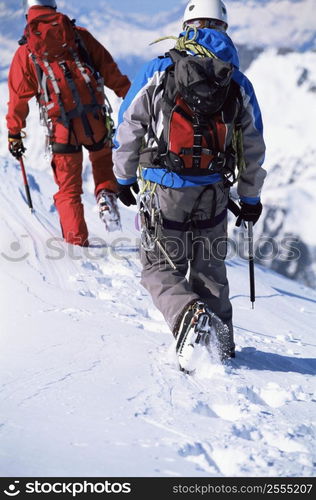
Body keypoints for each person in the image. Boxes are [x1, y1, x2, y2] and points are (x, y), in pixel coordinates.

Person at [113, 0, 266, 372]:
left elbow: (129, 125)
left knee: (158, 267)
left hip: (165, 190)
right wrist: (250, 196)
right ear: (223, 26)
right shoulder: (235, 79)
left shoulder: (161, 68)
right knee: (210, 270)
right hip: (214, 190)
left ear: (187, 25)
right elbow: (252, 144)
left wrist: (123, 177)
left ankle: (186, 314)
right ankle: (223, 350)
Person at [7, 0, 130, 247]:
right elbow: (108, 68)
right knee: (102, 159)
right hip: (94, 118)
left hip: (62, 129)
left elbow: (18, 98)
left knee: (68, 190)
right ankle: (106, 193)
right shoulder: (78, 35)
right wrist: (129, 96)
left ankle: (76, 244)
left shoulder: (25, 52)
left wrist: (14, 133)